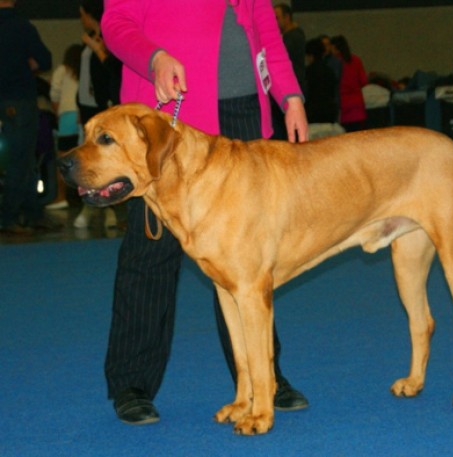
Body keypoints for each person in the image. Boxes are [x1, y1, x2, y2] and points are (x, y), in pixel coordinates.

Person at [101, 0, 309, 425]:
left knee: (249, 260)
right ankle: (132, 382)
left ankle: (262, 379)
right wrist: (154, 57)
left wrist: (288, 95)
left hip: (244, 112)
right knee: (151, 253)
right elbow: (116, 22)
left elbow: (265, 29)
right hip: (166, 121)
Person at [0, 0, 60, 235]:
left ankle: (33, 213)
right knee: (22, 159)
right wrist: (24, 67)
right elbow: (44, 60)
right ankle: (9, 217)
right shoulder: (22, 26)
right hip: (19, 100)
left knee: (20, 159)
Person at [74, 0, 122, 229]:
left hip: (101, 106)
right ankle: (89, 204)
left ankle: (108, 208)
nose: (80, 19)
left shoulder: (106, 35)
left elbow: (113, 69)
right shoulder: (93, 36)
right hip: (87, 107)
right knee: (85, 161)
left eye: (81, 14)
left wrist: (95, 47)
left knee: (98, 161)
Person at [47, 43, 83, 210]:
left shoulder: (62, 70)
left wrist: (58, 113)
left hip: (67, 117)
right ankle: (84, 200)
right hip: (83, 116)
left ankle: (61, 197)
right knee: (83, 160)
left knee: (62, 159)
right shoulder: (83, 70)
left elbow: (54, 95)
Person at [270, 2, 306, 139]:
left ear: (287, 17)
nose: (274, 21)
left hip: (291, 93)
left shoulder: (293, 37)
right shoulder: (291, 36)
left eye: (277, 18)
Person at [330, 35, 368, 132]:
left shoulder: (334, 64)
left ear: (335, 49)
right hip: (357, 106)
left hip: (343, 107)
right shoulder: (356, 60)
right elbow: (363, 81)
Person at [304, 38, 339, 124]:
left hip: (312, 115)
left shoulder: (307, 72)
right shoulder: (330, 71)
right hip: (329, 115)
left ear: (310, 56)